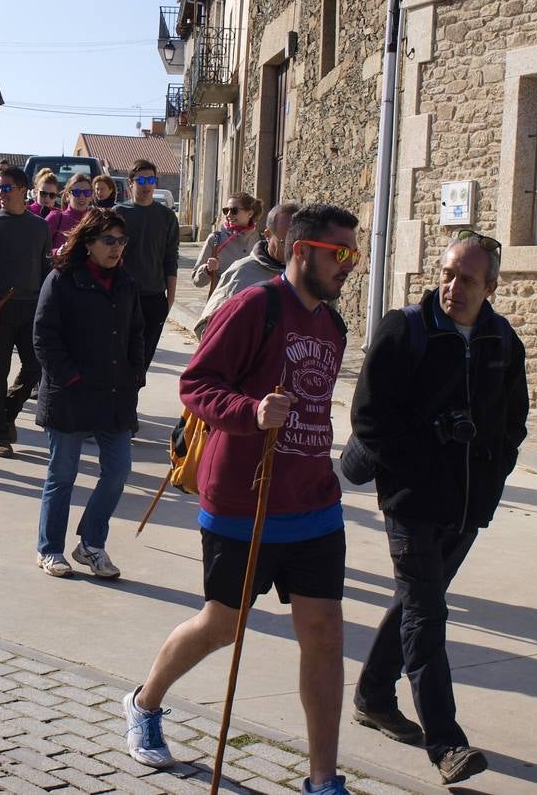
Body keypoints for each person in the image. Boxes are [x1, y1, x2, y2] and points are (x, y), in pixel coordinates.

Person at [122, 204, 360, 795]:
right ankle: (145, 701)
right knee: (221, 626)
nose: (349, 267)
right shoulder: (256, 306)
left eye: (355, 254)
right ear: (302, 251)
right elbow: (195, 384)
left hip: (314, 504)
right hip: (243, 503)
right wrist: (250, 412)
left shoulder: (332, 325)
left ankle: (323, 779)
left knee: (325, 632)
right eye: (341, 254)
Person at [350, 230, 528, 786]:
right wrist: (423, 455)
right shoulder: (405, 330)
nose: (452, 287)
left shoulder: (503, 341)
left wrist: (493, 469)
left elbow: (513, 422)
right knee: (428, 616)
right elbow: (370, 418)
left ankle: (374, 695)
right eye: (447, 274)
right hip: (411, 500)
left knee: (415, 602)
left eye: (466, 279)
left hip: (469, 503)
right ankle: (447, 743)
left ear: (490, 286)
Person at [32, 209, 144, 578]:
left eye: (121, 241)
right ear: (89, 242)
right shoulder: (62, 279)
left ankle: (91, 545)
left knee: (118, 471)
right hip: (71, 394)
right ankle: (49, 550)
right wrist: (71, 378)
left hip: (114, 394)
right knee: (62, 474)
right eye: (108, 241)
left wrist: (134, 376)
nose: (116, 248)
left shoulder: (126, 281)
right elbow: (44, 337)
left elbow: (136, 334)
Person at [0, 167, 52, 457]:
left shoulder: (40, 226)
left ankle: (5, 414)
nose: (0, 194)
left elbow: (45, 271)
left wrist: (48, 306)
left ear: (22, 190)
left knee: (34, 367)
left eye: (6, 188)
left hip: (31, 309)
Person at [195, 202, 298, 339]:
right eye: (285, 243)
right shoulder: (240, 270)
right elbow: (208, 329)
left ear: (250, 214)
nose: (293, 252)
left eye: (300, 245)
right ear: (268, 235)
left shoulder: (311, 279)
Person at [114, 159, 179, 371]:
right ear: (131, 183)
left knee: (142, 360)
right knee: (119, 355)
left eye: (150, 179)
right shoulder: (118, 214)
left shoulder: (167, 216)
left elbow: (170, 257)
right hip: (121, 294)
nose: (146, 185)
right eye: (141, 180)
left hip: (153, 297)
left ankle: (129, 399)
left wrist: (170, 298)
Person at [192, 193, 262, 291]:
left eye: (234, 210)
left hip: (252, 303)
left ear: (250, 213)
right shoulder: (215, 239)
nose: (228, 215)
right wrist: (207, 269)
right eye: (226, 210)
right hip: (223, 302)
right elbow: (197, 281)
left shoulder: (260, 241)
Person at [46, 174, 93, 253]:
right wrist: (57, 252)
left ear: (91, 196)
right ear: (68, 196)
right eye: (77, 192)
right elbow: (37, 249)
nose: (82, 196)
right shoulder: (55, 218)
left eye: (87, 192)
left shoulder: (95, 220)